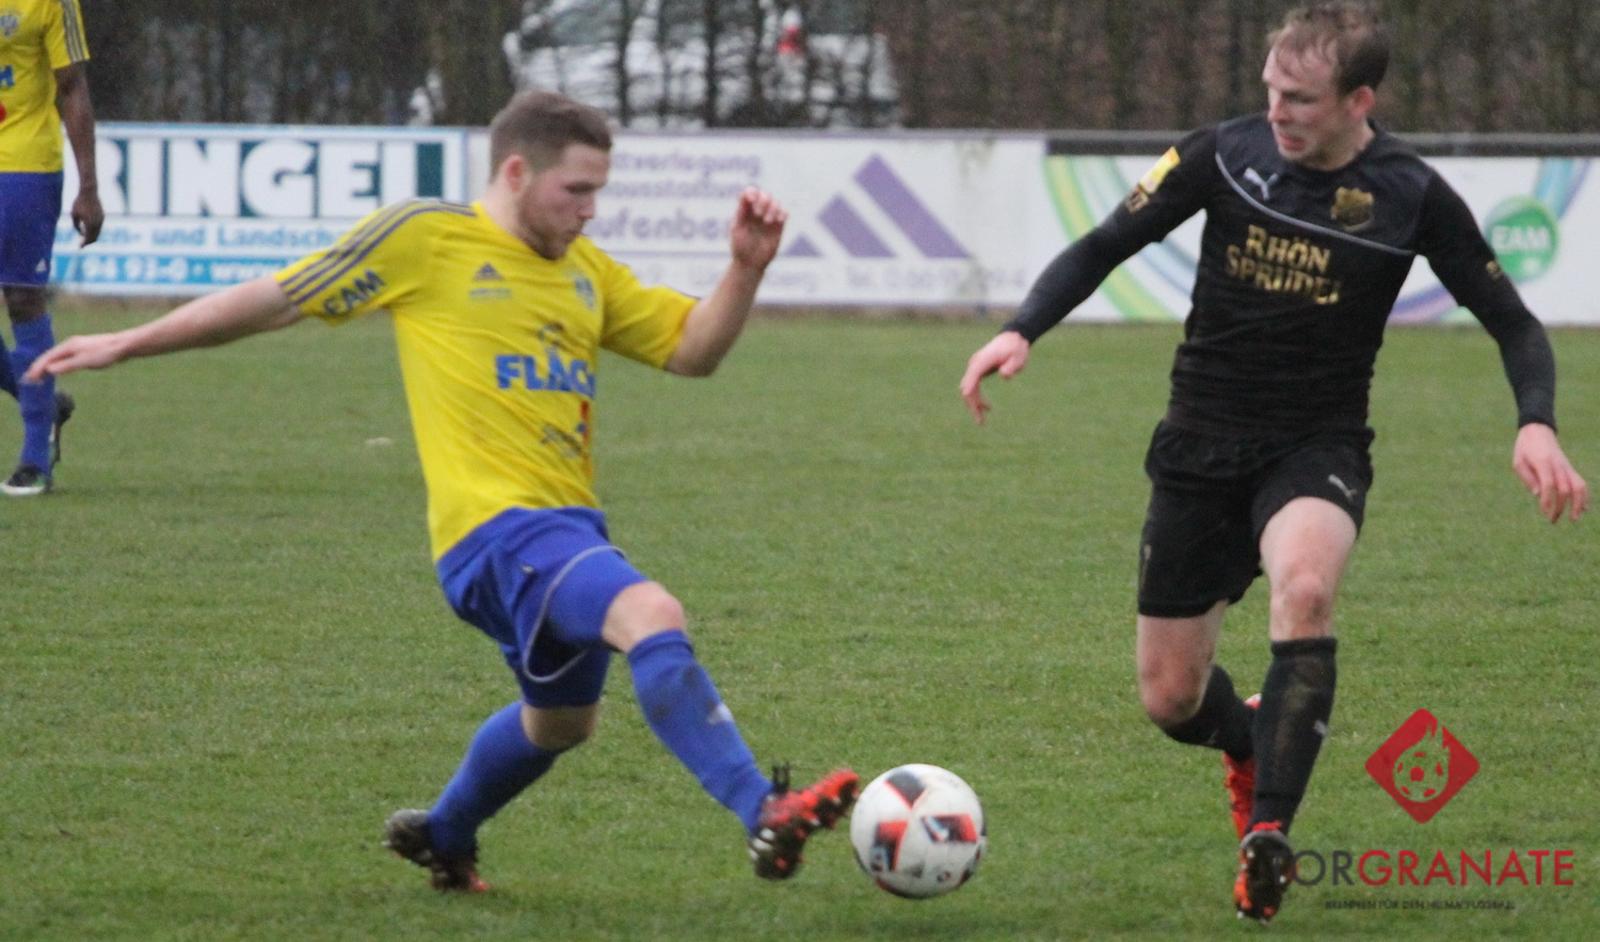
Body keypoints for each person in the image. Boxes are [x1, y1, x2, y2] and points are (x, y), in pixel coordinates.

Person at [26, 90, 858, 891]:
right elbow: (278, 299)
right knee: (652, 613)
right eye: (576, 190)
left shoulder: (585, 271)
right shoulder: (428, 238)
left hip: (567, 530)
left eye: (598, 192)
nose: (590, 211)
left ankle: (446, 834)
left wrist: (743, 270)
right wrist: (129, 341)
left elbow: (691, 351)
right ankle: (763, 808)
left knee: (561, 724)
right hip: (495, 532)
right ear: (517, 173)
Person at [958, 1, 1586, 925]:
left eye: (1300, 97)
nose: (1277, 111)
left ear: (1359, 100)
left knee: (1306, 591)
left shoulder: (1410, 194)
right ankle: (1250, 739)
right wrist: (1022, 329)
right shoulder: (1222, 155)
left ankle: (1269, 836)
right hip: (1199, 445)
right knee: (1170, 699)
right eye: (1271, 90)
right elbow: (1103, 245)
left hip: (1315, 446)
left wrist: (1536, 423)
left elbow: (1514, 322)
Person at [0, 0, 102, 496]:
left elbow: (72, 84)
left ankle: (35, 456)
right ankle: (39, 401)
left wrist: (89, 187)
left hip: (23, 164)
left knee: (22, 298)